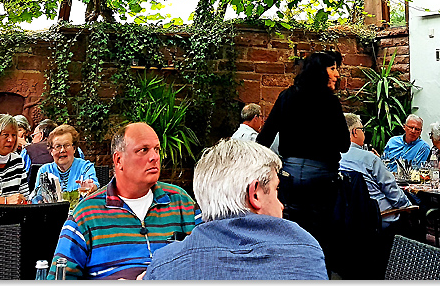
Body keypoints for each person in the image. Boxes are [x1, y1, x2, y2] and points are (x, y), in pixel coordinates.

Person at [143, 139, 326, 280]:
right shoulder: (304, 250)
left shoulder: (164, 266)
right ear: (255, 195)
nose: (281, 205)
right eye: (276, 190)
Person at [50, 122, 200, 279]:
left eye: (157, 149)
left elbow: (213, 254)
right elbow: (59, 277)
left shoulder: (181, 202)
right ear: (119, 160)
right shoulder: (87, 214)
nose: (154, 157)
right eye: (143, 150)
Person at [256, 51, 349, 262]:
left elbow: (264, 138)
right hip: (322, 179)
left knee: (290, 231)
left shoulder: (286, 97)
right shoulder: (330, 103)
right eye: (333, 69)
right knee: (321, 237)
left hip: (289, 175)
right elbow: (344, 144)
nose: (337, 74)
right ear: (321, 72)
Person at [339, 114, 412, 227]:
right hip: (378, 216)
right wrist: (407, 205)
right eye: (362, 129)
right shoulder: (369, 158)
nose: (363, 133)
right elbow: (391, 189)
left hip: (347, 216)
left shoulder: (334, 158)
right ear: (354, 132)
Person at [32, 124, 98, 203]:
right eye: (58, 146)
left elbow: (94, 185)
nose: (62, 150)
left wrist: (91, 187)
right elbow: (36, 198)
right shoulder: (44, 170)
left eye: (67, 145)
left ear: (74, 148)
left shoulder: (85, 167)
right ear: (51, 151)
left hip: (79, 213)